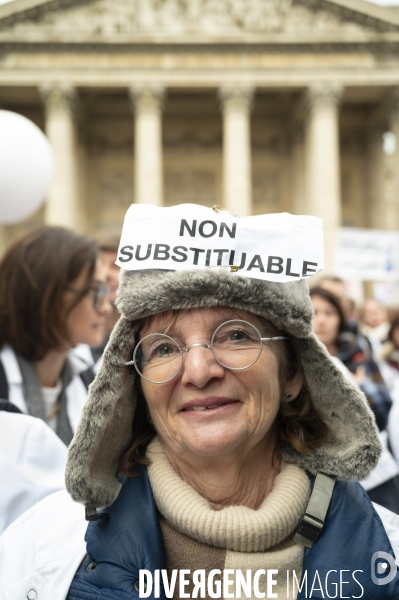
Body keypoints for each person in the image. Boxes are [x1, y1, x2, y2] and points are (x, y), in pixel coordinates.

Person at [1, 206, 398, 599]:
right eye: (162, 348)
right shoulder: (41, 555)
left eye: (237, 336)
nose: (198, 370)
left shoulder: (387, 549)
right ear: (133, 385)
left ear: (293, 371)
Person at [0, 225, 112, 444]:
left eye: (104, 292)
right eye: (95, 291)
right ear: (47, 293)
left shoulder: (87, 379)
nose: (106, 308)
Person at [310, 286, 399, 514]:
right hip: (330, 482)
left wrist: (358, 395)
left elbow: (385, 407)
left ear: (340, 318)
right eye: (314, 312)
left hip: (379, 472)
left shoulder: (359, 351)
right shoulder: (294, 367)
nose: (321, 320)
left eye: (329, 313)